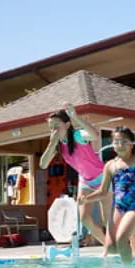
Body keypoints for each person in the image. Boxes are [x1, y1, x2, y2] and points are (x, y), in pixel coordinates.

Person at [79, 126, 135, 263]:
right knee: (111, 248)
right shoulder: (110, 165)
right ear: (112, 145)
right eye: (116, 142)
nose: (120, 145)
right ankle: (134, 260)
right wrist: (86, 199)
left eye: (124, 142)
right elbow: (102, 191)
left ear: (131, 144)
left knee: (121, 240)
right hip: (118, 207)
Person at [40, 103, 111, 246]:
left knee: (106, 220)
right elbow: (43, 164)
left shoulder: (77, 135)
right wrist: (51, 144)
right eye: (51, 127)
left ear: (67, 125)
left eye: (56, 126)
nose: (53, 130)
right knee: (85, 218)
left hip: (102, 177)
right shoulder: (58, 144)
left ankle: (120, 242)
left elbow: (94, 135)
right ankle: (108, 245)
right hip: (85, 180)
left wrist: (76, 117)